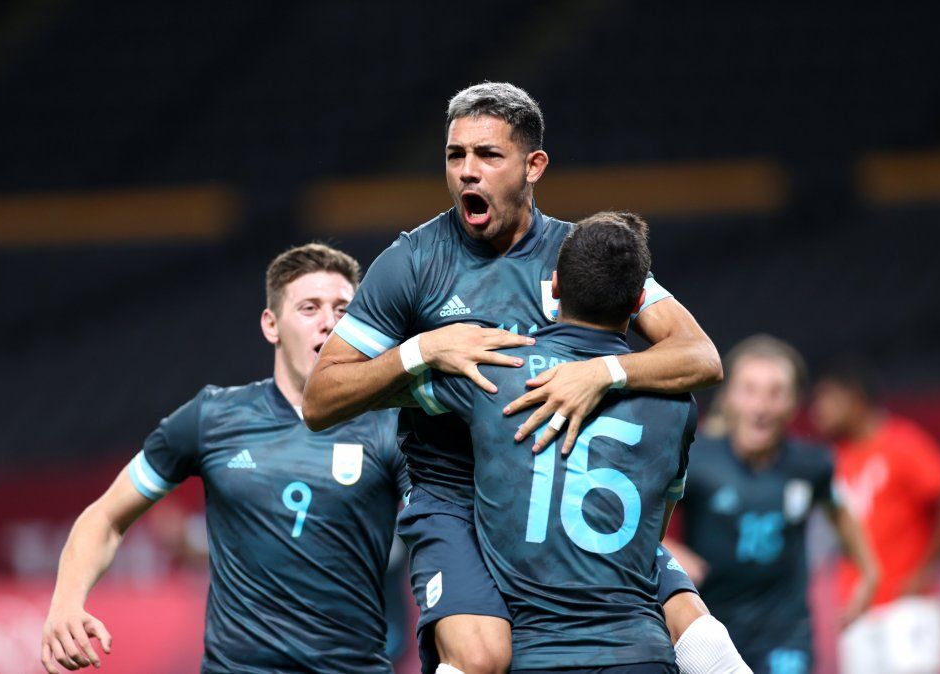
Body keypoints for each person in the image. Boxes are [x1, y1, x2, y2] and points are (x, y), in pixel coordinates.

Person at [304, 82, 723, 674]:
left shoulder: (577, 257)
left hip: (559, 493)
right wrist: (422, 349)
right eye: (455, 155)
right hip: (453, 496)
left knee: (702, 634)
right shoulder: (412, 262)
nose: (467, 172)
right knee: (482, 657)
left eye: (488, 155)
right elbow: (321, 398)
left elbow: (700, 355)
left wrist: (599, 373)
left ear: (533, 165)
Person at [406, 212, 751, 673]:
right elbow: (655, 531)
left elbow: (354, 396)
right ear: (639, 302)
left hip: (537, 656)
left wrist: (424, 350)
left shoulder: (492, 372)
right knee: (703, 636)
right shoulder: (678, 405)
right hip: (640, 656)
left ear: (553, 287)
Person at [40, 244, 408, 674]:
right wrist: (65, 603)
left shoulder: (392, 427)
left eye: (343, 310)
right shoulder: (212, 418)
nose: (329, 322)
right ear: (271, 325)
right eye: (309, 308)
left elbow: (450, 532)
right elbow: (105, 517)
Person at [664, 336, 878, 674]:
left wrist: (869, 571)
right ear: (728, 398)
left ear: (794, 403)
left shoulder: (813, 464)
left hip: (785, 634)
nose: (761, 406)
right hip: (710, 630)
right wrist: (670, 550)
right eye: (749, 390)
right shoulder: (694, 458)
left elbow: (840, 511)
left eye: (775, 392)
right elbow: (642, 521)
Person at [811, 360, 940, 674]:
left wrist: (925, 570)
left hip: (905, 606)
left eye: (827, 399)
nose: (819, 410)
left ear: (854, 398)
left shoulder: (901, 443)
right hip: (858, 607)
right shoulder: (836, 457)